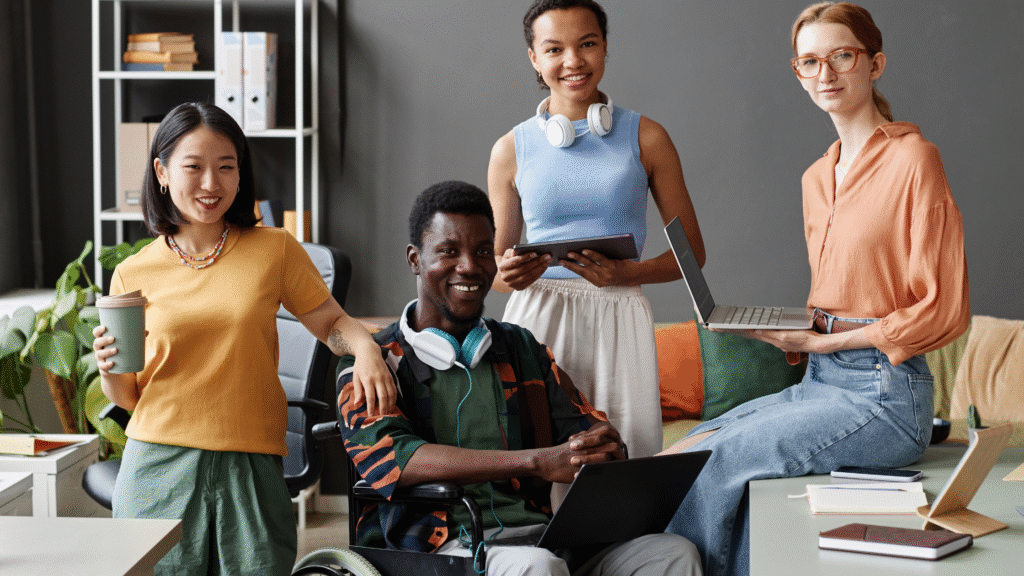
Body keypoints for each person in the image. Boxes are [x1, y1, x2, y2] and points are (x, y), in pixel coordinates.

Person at [662, 3, 970, 576]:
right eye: (810, 62)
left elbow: (943, 309)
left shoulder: (914, 161)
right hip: (821, 383)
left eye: (841, 56)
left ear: (874, 64)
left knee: (718, 461)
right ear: (798, 73)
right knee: (692, 446)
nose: (825, 73)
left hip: (883, 395)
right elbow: (842, 294)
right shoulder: (816, 177)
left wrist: (826, 343)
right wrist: (793, 332)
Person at [336, 180, 702, 576]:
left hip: (539, 538)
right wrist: (536, 462)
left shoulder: (519, 347)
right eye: (448, 251)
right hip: (438, 550)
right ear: (415, 259)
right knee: (537, 567)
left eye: (481, 251)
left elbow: (585, 424)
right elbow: (396, 461)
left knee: (674, 553)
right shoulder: (372, 367)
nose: (470, 267)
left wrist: (600, 445)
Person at [91, 102, 395, 576]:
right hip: (158, 465)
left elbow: (333, 324)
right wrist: (110, 368)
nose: (211, 184)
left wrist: (366, 349)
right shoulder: (134, 272)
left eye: (226, 167)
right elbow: (129, 397)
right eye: (193, 167)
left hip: (250, 464)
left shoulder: (274, 250)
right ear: (162, 172)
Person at [487, 0, 706, 461]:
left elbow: (692, 255)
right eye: (554, 49)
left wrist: (628, 275)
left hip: (618, 314)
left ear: (605, 47)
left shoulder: (648, 137)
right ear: (534, 57)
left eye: (587, 44)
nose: (573, 61)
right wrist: (510, 272)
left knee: (624, 458)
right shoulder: (510, 149)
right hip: (536, 319)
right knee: (536, 454)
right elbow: (494, 272)